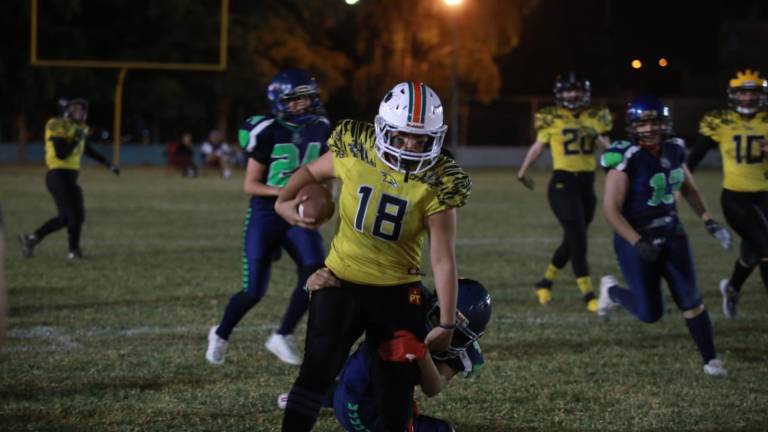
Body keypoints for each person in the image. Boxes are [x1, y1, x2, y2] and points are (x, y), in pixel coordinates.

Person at [274, 81, 471, 431]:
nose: (412, 144)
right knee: (315, 373)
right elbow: (309, 172)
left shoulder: (440, 178)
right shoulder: (356, 148)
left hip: (398, 292)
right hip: (340, 280)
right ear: (383, 129)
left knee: (395, 397)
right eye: (403, 135)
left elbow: (443, 256)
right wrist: (282, 201)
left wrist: (445, 322)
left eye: (421, 138)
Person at [597, 95, 732, 377]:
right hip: (636, 237)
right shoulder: (625, 156)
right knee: (650, 313)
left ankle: (711, 360)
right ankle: (611, 291)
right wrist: (637, 243)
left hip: (671, 233)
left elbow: (689, 188)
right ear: (633, 126)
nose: (650, 129)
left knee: (691, 299)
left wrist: (709, 221)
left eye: (655, 122)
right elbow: (610, 210)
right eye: (643, 123)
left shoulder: (674, 149)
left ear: (665, 123)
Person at [206, 69, 331, 367]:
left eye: (306, 97)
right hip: (267, 213)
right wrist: (287, 193)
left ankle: (282, 335)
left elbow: (327, 170)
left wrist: (326, 201)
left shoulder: (321, 126)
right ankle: (221, 333)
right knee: (254, 291)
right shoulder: (268, 130)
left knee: (316, 273)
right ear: (278, 101)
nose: (301, 104)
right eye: (294, 99)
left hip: (297, 210)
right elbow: (250, 185)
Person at [278, 277, 491, 432]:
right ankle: (316, 398)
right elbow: (363, 290)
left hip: (365, 380)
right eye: (441, 320)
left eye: (458, 337)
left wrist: (422, 355)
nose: (446, 337)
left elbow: (433, 387)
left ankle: (316, 397)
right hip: (361, 401)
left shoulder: (463, 353)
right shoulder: (412, 300)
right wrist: (318, 284)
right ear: (435, 304)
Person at [516, 71, 613, 312]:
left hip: (586, 185)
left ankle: (545, 282)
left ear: (585, 92)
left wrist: (598, 138)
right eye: (568, 90)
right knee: (579, 237)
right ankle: (589, 295)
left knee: (572, 238)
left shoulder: (595, 116)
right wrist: (523, 170)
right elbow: (539, 146)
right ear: (560, 93)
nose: (573, 94)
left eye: (577, 90)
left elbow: (609, 150)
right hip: (562, 183)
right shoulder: (551, 117)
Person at [687, 69, 768, 319]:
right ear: (733, 95)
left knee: (752, 253)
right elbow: (695, 157)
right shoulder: (720, 121)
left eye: (752, 93)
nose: (747, 98)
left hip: (765, 197)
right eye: (742, 93)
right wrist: (679, 185)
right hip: (736, 198)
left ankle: (732, 288)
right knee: (766, 246)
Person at [19, 98, 120, 260]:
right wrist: (75, 139)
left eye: (81, 109)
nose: (79, 112)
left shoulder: (79, 128)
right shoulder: (56, 124)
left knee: (70, 216)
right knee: (73, 215)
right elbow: (61, 152)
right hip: (57, 175)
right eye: (75, 109)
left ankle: (32, 238)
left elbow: (86, 149)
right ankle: (73, 252)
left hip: (69, 177)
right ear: (67, 111)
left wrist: (108, 164)